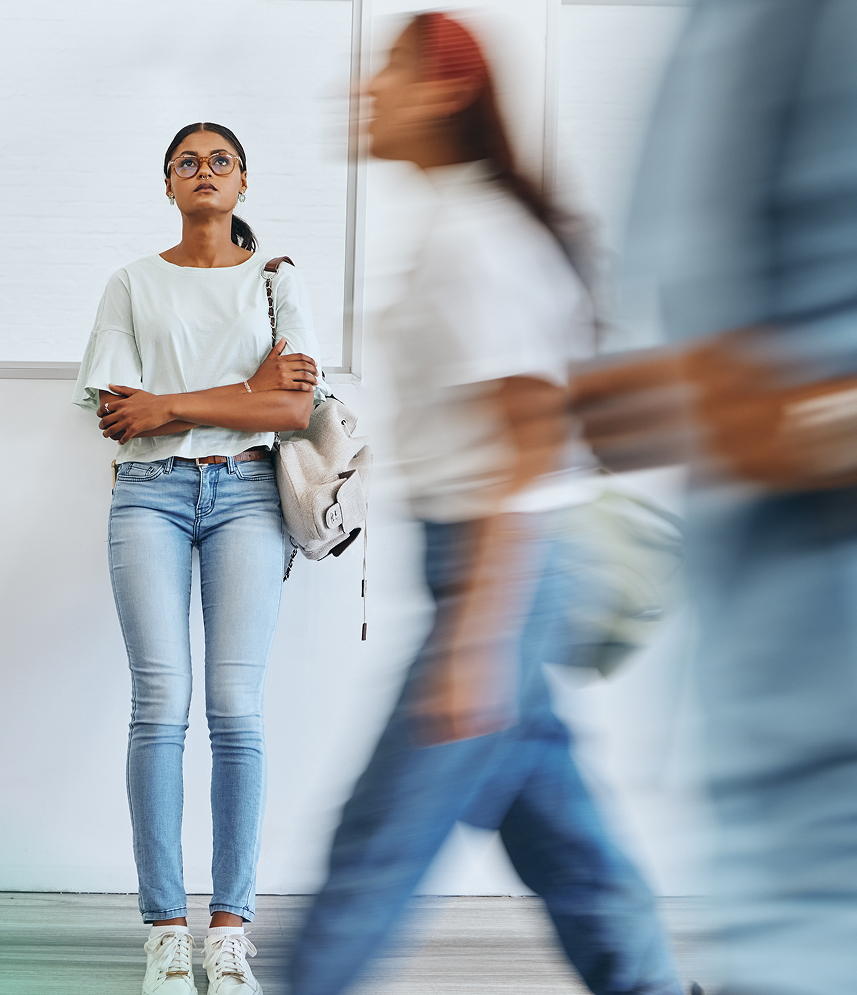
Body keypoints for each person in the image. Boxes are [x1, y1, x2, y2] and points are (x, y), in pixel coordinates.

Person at [571, 3, 857, 993]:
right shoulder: (712, 33)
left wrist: (815, 428)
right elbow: (719, 379)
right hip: (773, 848)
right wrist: (656, 401)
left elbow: (777, 413)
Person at [286, 15, 685, 995]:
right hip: (494, 570)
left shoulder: (474, 238)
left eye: (384, 72)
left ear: (444, 93)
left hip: (496, 571)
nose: (361, 91)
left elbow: (529, 436)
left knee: (375, 846)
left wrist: (476, 637)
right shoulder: (458, 226)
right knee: (563, 839)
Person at [72, 121, 326, 995]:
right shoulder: (132, 284)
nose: (205, 171)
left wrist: (172, 404)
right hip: (148, 493)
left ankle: (229, 928)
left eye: (221, 160)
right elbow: (118, 414)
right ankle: (165, 929)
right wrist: (241, 396)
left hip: (249, 495)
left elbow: (294, 412)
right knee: (161, 703)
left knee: (235, 707)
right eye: (189, 162)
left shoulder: (275, 280)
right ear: (169, 185)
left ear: (244, 182)